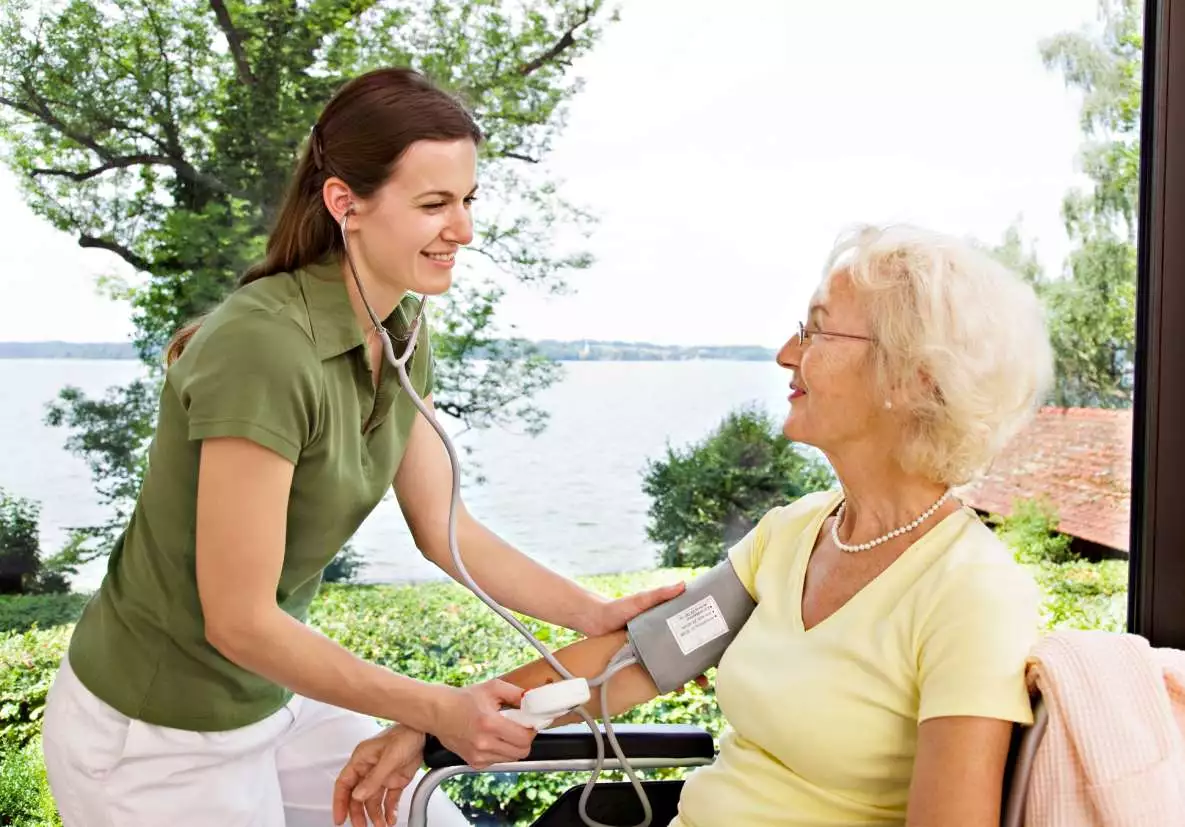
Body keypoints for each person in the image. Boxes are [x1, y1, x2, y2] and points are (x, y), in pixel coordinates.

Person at [39, 66, 685, 827]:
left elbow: (449, 530)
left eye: (468, 200)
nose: (465, 230)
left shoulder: (403, 330)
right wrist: (439, 708)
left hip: (271, 700)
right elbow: (238, 618)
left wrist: (596, 613)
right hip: (155, 734)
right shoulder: (263, 346)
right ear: (345, 202)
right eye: (435, 204)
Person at [337, 223, 1054, 827]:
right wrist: (436, 723)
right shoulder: (796, 531)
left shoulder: (971, 594)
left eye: (817, 330)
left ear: (912, 378)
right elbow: (643, 658)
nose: (785, 353)